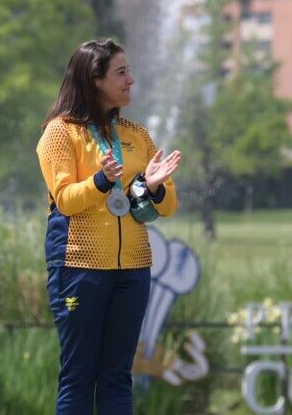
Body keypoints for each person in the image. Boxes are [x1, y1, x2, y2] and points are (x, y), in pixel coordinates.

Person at [36, 39, 181, 414]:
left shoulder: (137, 135)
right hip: (78, 268)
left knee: (118, 377)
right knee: (78, 377)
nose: (131, 80)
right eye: (121, 72)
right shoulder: (60, 133)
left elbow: (168, 205)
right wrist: (101, 181)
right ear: (94, 79)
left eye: (129, 71)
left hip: (133, 269)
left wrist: (152, 187)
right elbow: (65, 200)